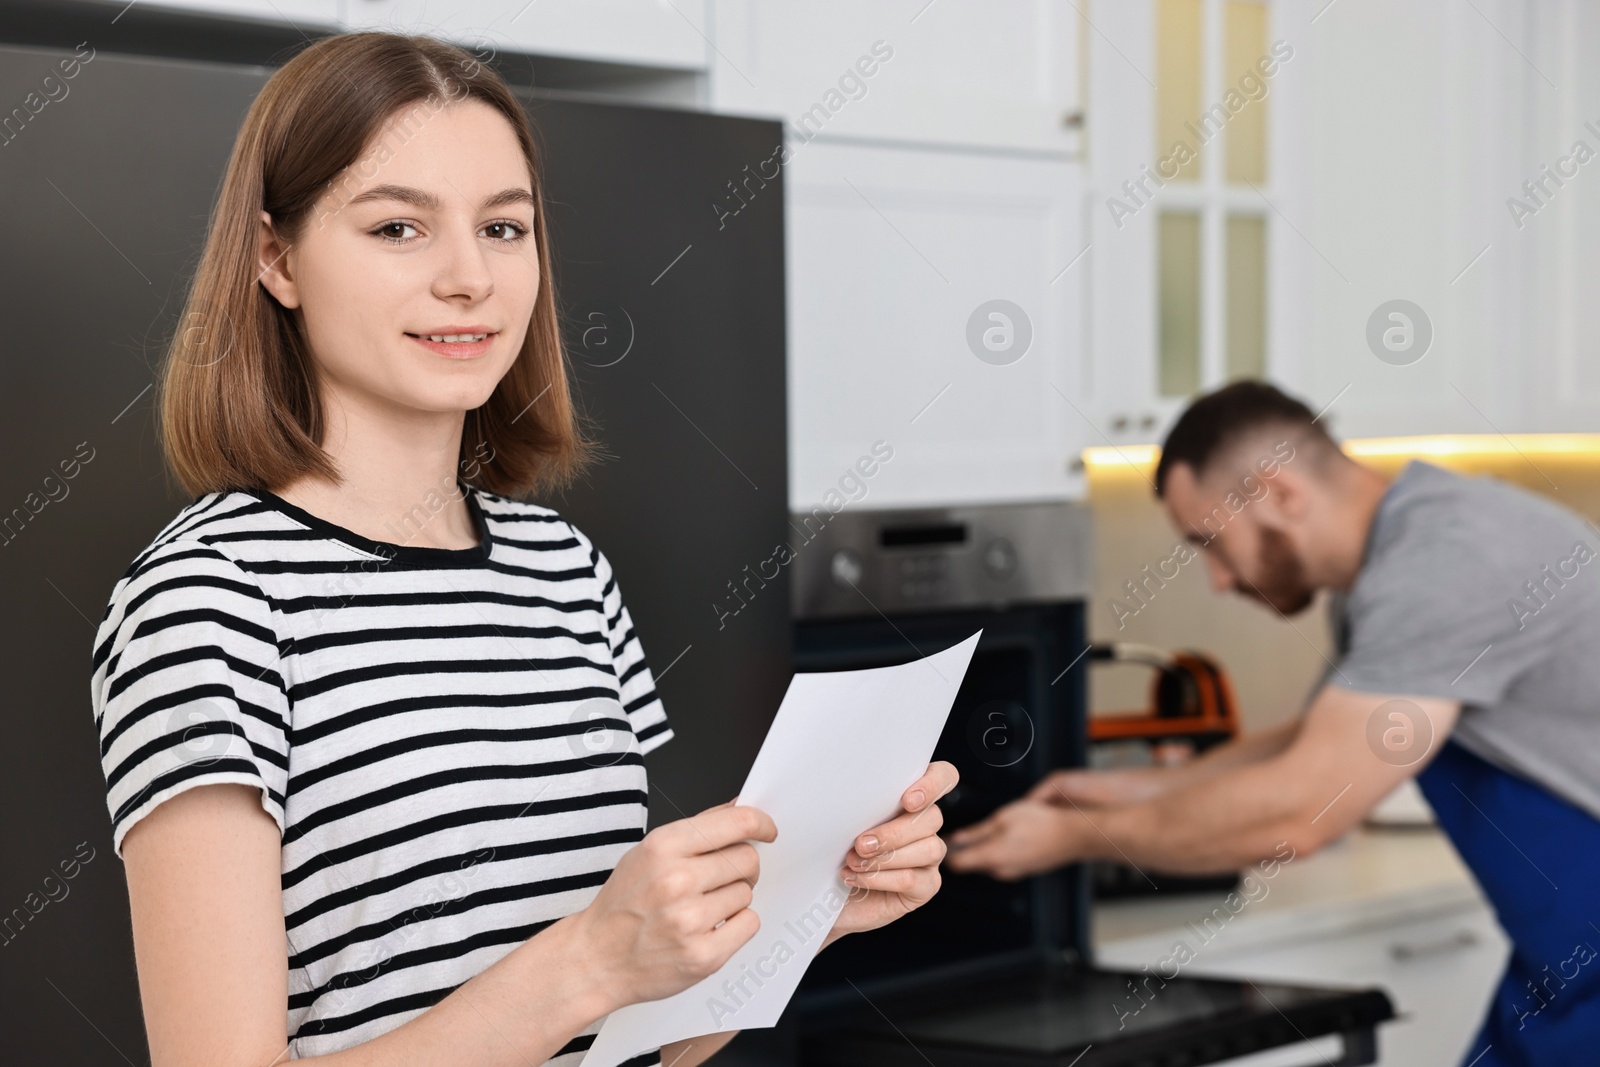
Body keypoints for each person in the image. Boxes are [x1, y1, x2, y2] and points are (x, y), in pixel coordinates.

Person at [90, 32, 955, 1067]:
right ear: (276, 258)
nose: (470, 278)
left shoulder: (562, 569)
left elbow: (639, 1039)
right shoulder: (208, 601)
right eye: (399, 226)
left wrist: (809, 910)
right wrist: (585, 959)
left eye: (504, 227)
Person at [945, 381, 1600, 1065]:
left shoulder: (1443, 565)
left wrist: (1075, 837)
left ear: (1279, 492)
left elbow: (1300, 810)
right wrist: (1135, 790)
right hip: (1567, 963)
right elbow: (1316, 737)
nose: (1218, 580)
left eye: (1209, 541)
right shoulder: (1400, 557)